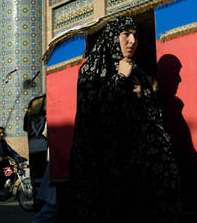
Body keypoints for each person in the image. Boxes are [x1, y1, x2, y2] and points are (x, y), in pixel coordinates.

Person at [58, 16, 182, 223]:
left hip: (135, 165)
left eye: (135, 35)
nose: (132, 40)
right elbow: (91, 114)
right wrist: (120, 79)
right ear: (112, 37)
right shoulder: (92, 70)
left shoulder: (138, 72)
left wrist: (142, 96)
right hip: (103, 166)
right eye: (126, 34)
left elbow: (153, 116)